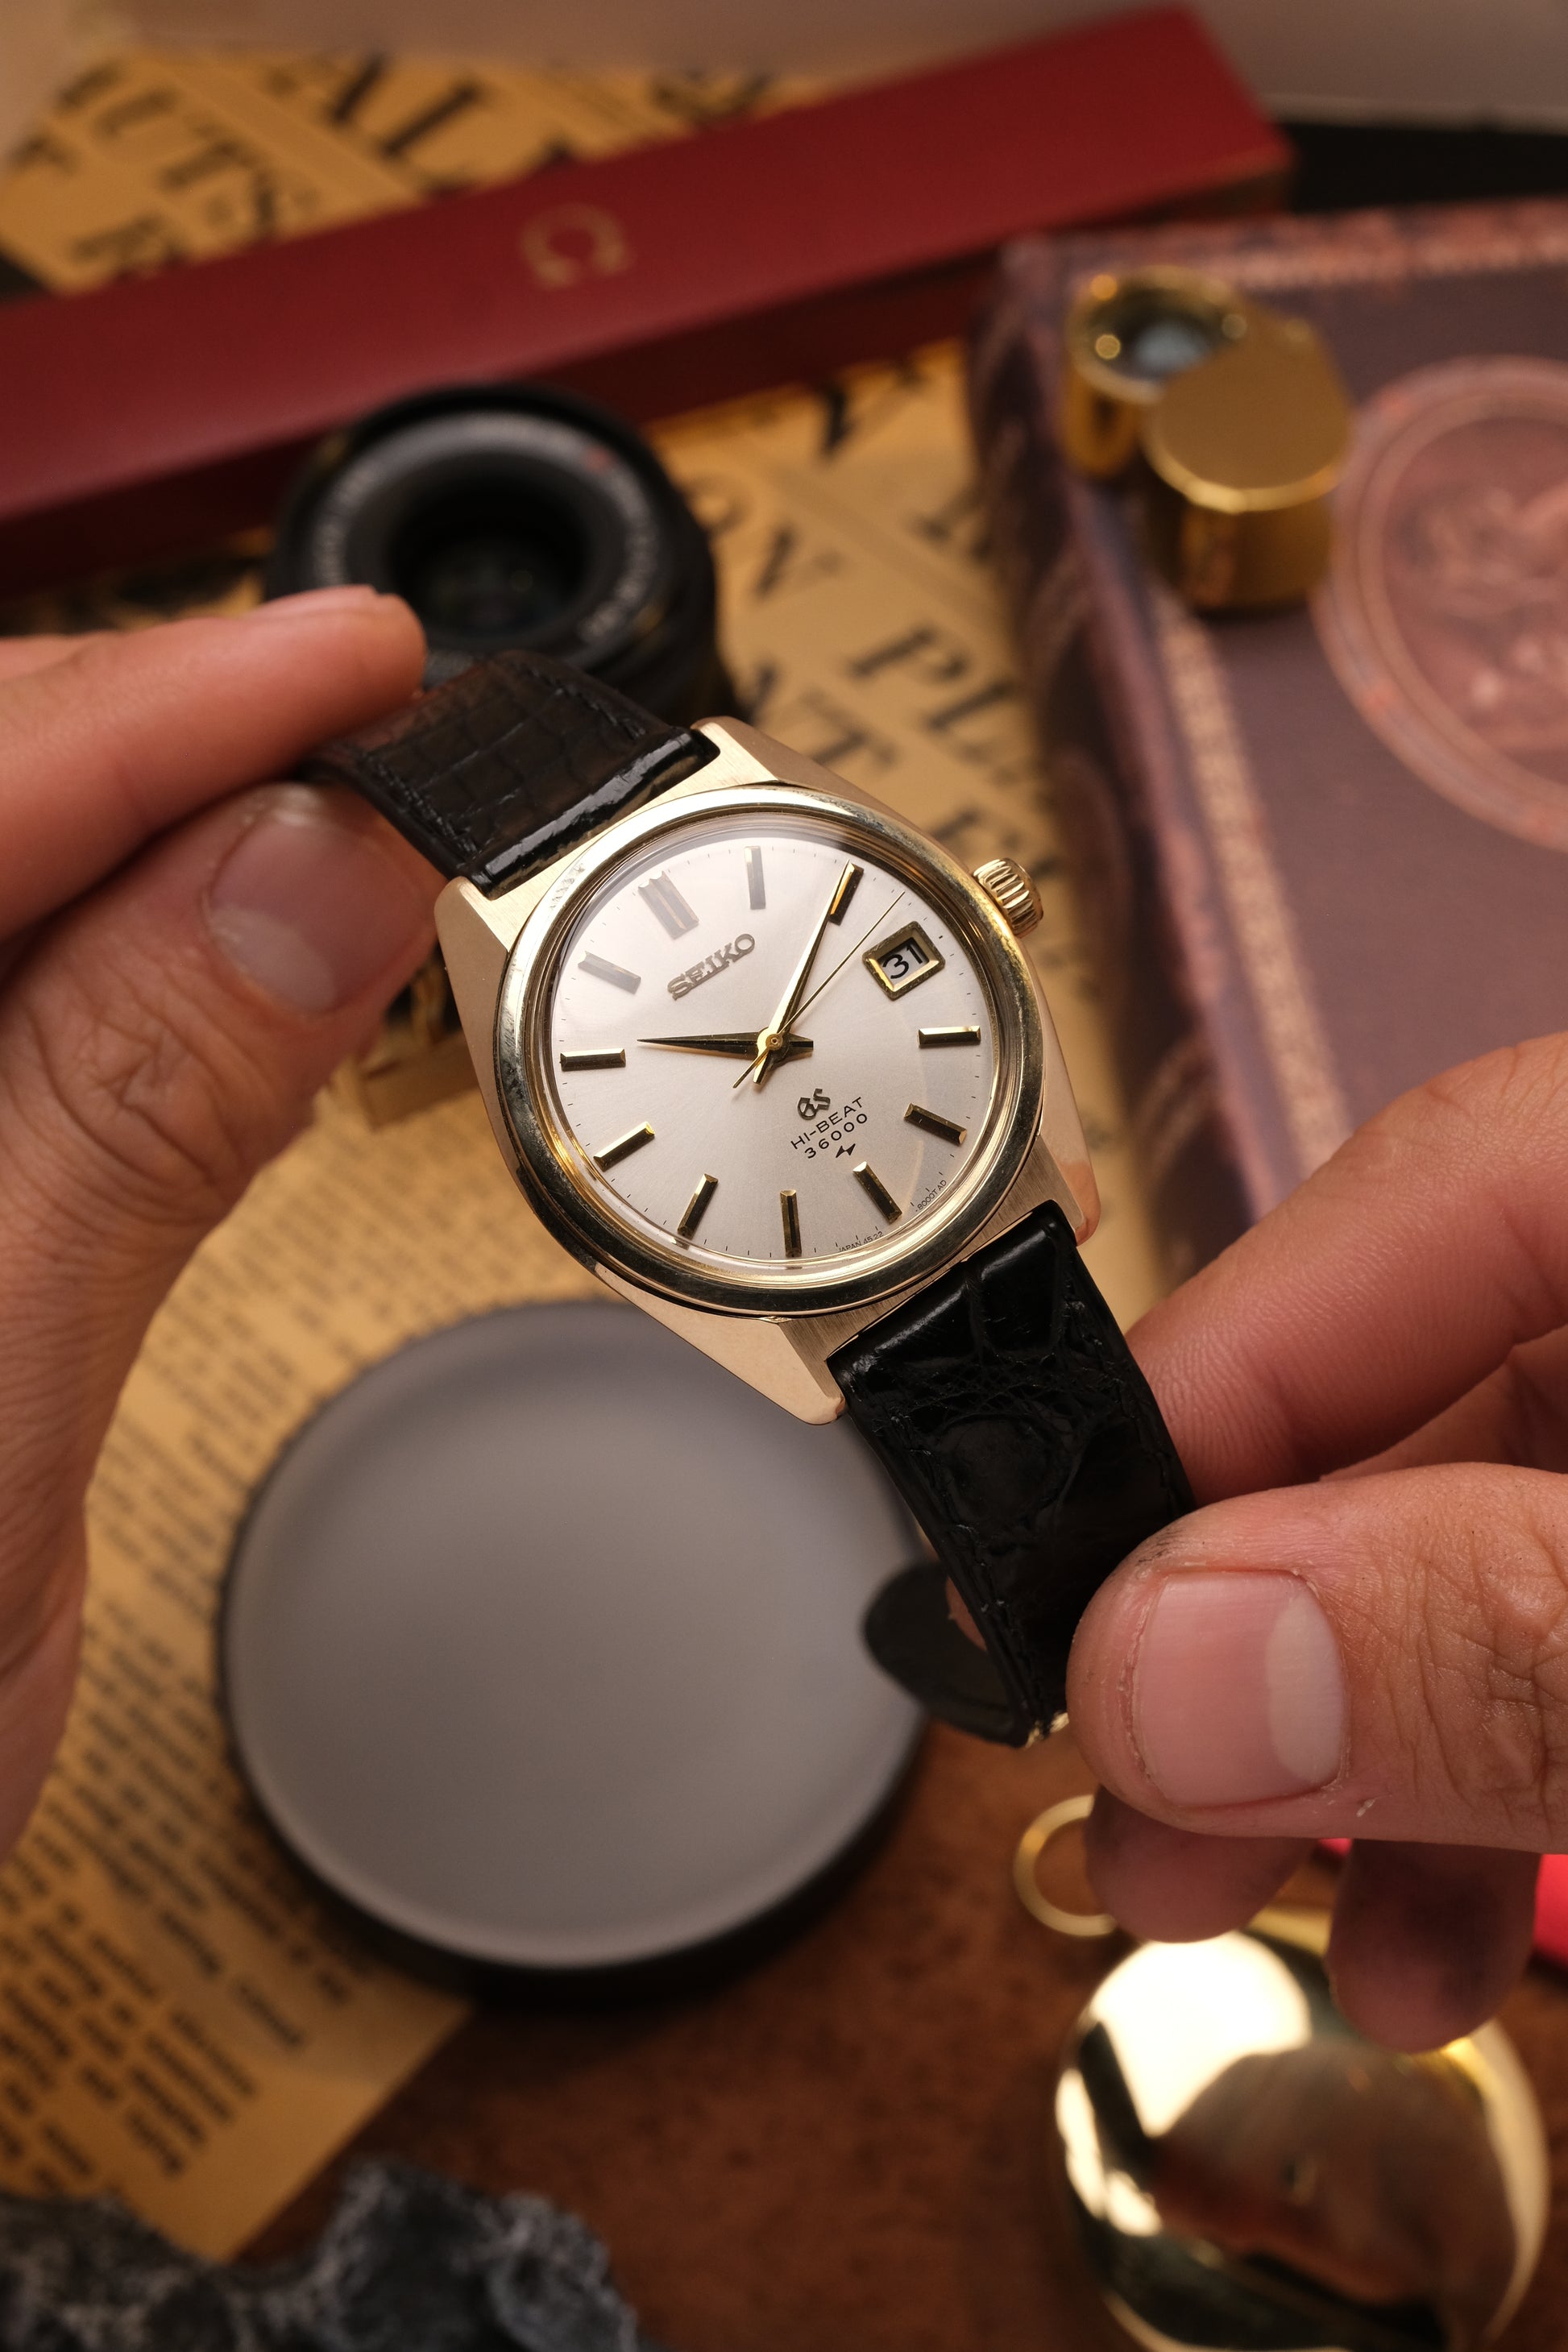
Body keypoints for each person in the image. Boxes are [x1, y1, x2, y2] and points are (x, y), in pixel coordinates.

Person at [2, 592, 1559, 2054]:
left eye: (773, 1026)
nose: (765, 1046)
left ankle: (1075, 1635)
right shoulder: (583, 924)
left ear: (980, 918)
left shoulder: (748, 804)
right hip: (853, 1265)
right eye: (741, 1048)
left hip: (966, 1184)